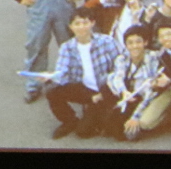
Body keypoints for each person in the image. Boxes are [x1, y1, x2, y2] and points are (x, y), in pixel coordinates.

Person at [44, 8, 121, 139]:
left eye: (85, 23)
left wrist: (105, 92)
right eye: (77, 24)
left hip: (106, 88)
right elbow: (62, 72)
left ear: (92, 23)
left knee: (84, 131)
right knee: (52, 91)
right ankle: (70, 121)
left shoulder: (107, 41)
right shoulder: (67, 47)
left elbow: (120, 67)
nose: (81, 27)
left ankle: (97, 111)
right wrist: (50, 77)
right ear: (71, 27)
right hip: (85, 90)